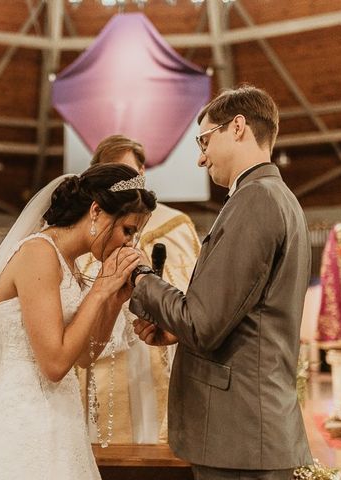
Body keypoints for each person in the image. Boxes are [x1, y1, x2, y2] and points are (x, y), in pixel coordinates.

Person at [0, 163, 156, 479]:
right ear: (97, 211)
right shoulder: (38, 253)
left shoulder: (70, 263)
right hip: (24, 420)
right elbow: (55, 364)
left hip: (61, 418)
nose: (129, 243)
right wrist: (101, 288)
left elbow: (84, 357)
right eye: (127, 230)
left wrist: (115, 300)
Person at [131, 86, 312, 479]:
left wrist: (139, 276)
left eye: (204, 139)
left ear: (238, 127)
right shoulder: (276, 198)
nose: (200, 157)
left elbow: (203, 323)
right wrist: (176, 329)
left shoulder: (255, 200)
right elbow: (238, 317)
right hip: (249, 435)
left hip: (241, 436)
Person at [78, 134, 200, 443]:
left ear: (142, 172)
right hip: (105, 360)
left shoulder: (176, 225)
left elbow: (194, 292)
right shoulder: (88, 231)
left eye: (129, 173)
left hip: (158, 354)